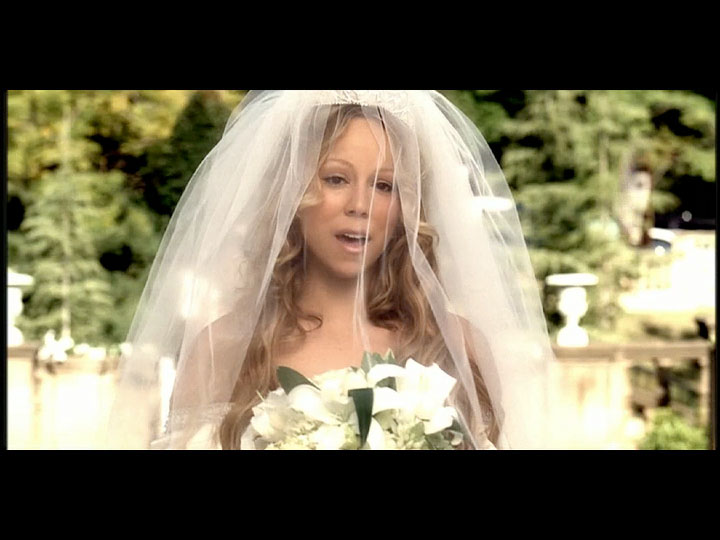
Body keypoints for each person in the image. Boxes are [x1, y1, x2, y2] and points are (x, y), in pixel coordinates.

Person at [106, 90, 554, 450]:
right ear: (292, 194)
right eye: (336, 179)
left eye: (384, 186)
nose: (360, 205)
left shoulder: (458, 346)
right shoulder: (222, 349)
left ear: (408, 206)